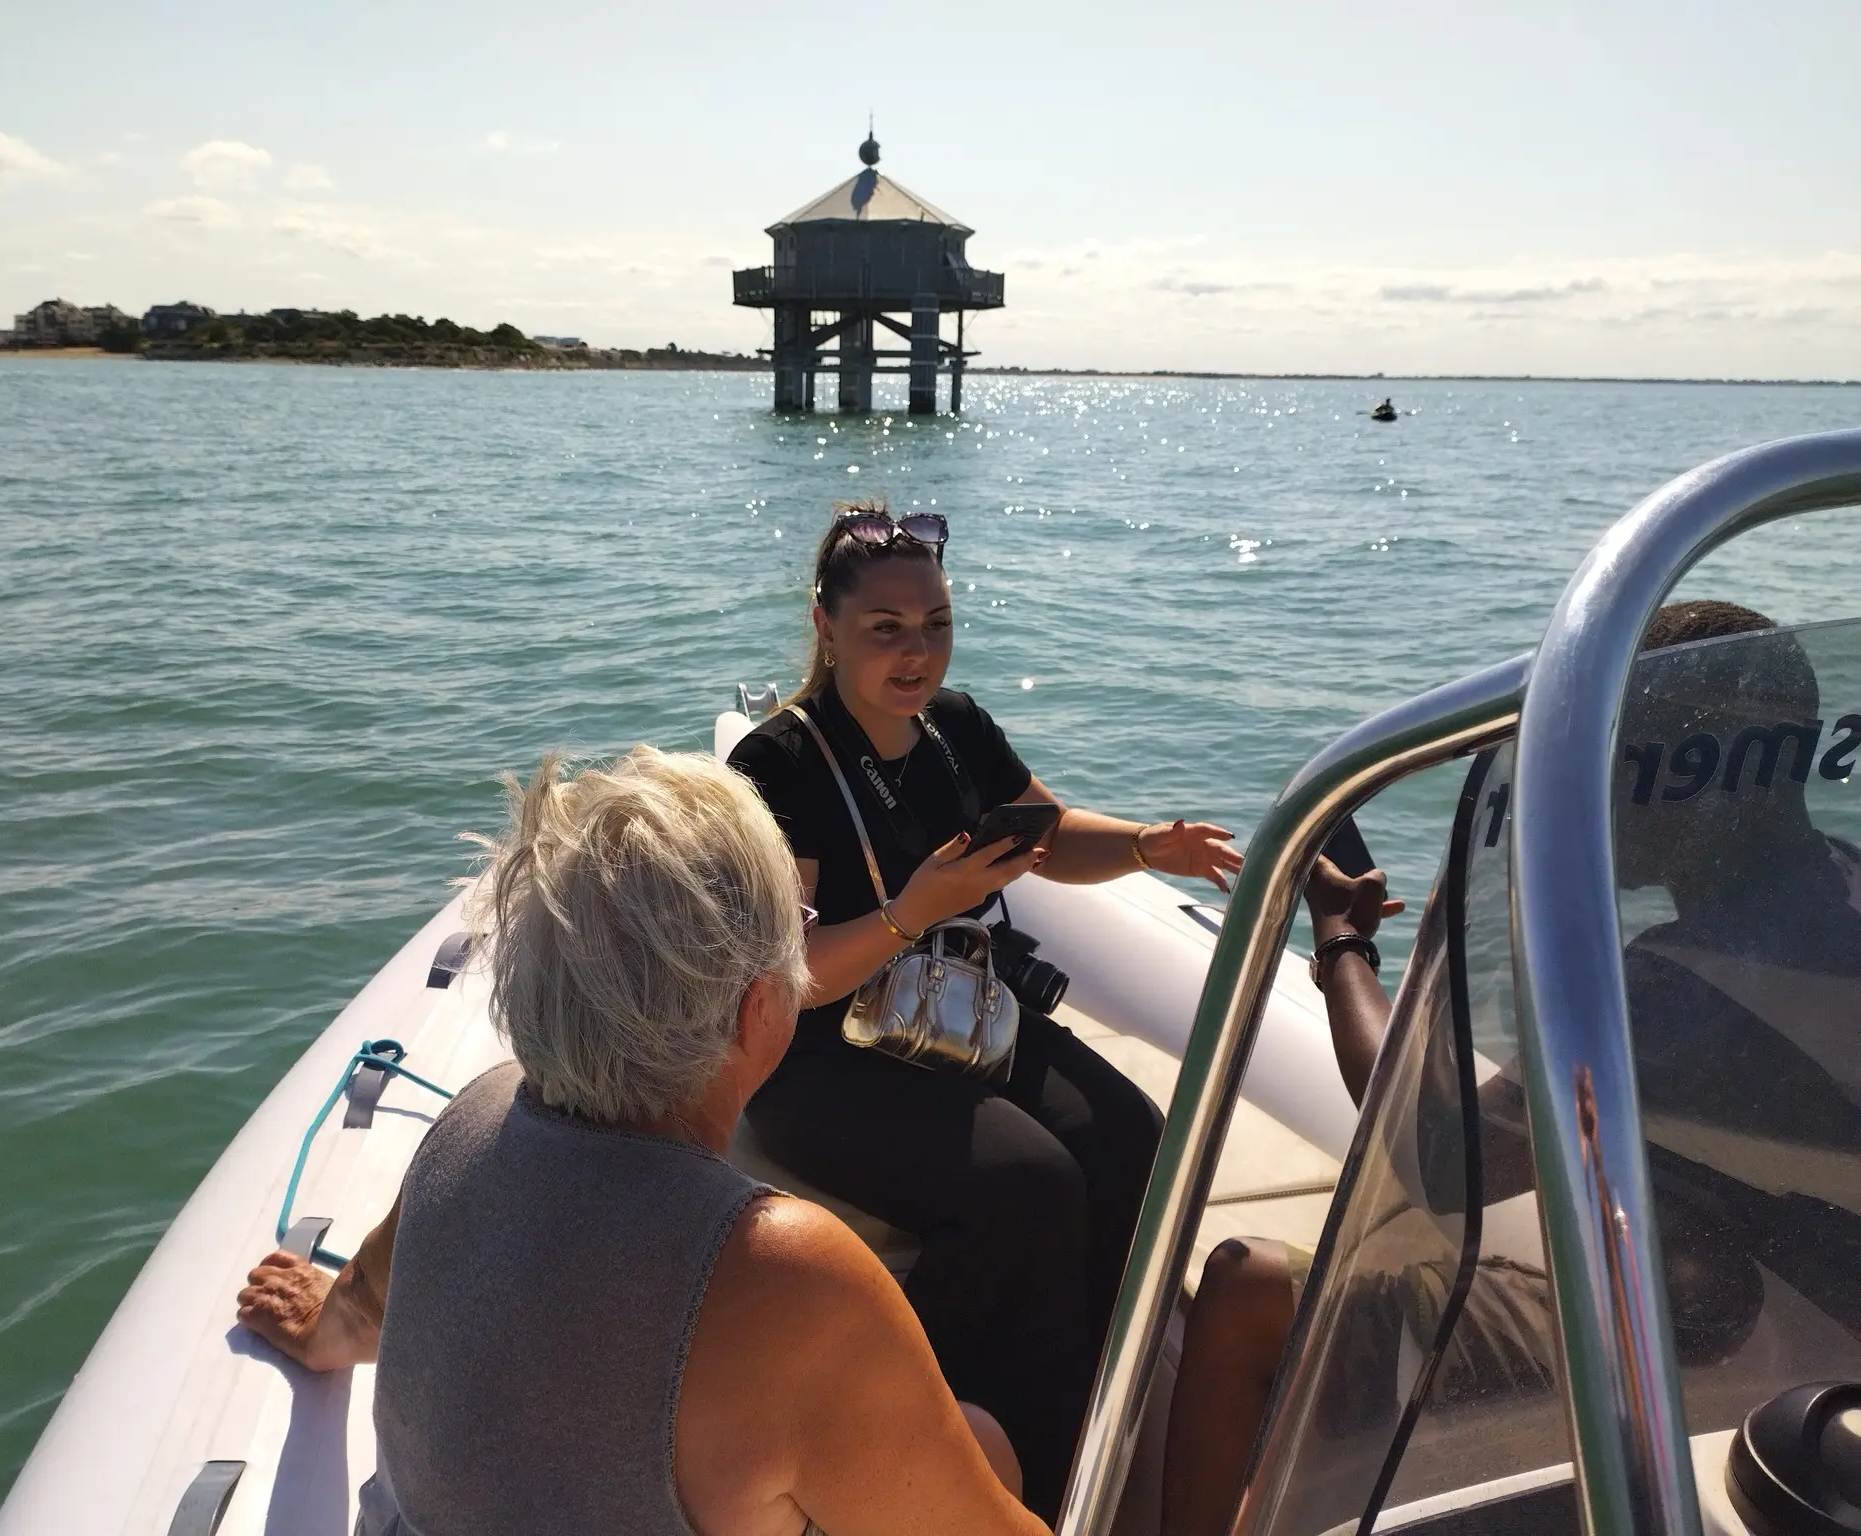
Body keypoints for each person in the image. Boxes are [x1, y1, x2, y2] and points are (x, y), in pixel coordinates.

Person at [1160, 598, 1861, 1536]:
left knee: (1246, 1290)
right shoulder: (1841, 905)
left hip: (1714, 1369)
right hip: (1806, 1353)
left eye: (1618, 750)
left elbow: (1431, 1155)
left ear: (1697, 775)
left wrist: (1349, 941)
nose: (1592, 784)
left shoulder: (1674, 992)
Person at [237, 747, 1049, 1535]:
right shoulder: (791, 1277)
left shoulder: (470, 1124)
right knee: (986, 1447)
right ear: (754, 1008)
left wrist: (321, 1325)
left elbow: (361, 1309)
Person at [727, 501, 1244, 1518]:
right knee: (1028, 1184)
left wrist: (1147, 846)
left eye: (936, 623)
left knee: (1132, 1137)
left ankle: (1093, 1403)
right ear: (826, 626)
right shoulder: (778, 764)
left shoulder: (952, 730)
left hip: (958, 1015)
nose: (915, 650)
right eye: (885, 627)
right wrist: (908, 911)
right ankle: (917, 1441)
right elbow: (779, 976)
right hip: (824, 1051)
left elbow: (1046, 837)